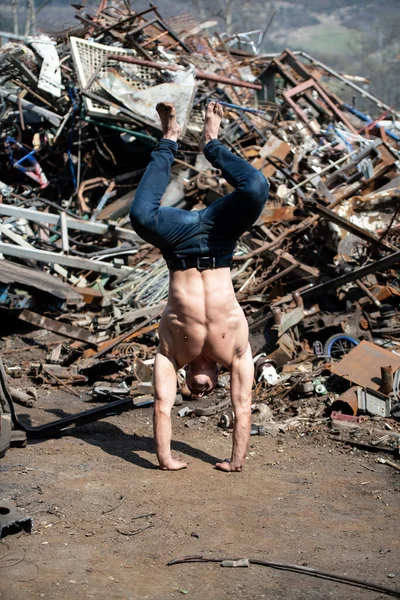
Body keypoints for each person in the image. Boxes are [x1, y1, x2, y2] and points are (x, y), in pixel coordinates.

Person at [130, 102, 269, 471]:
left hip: (178, 246)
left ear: (186, 379)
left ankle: (171, 138)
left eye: (193, 390)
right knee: (256, 188)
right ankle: (212, 142)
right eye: (206, 390)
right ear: (218, 377)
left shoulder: (171, 353)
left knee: (141, 215)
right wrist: (236, 460)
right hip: (219, 240)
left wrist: (164, 458)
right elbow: (242, 405)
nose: (201, 389)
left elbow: (162, 405)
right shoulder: (237, 353)